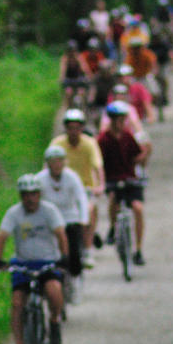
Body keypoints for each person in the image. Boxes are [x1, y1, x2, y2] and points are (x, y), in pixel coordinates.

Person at [0, 175, 68, 344]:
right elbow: (2, 236)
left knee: (54, 291)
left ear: (39, 194)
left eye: (34, 194)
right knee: (17, 303)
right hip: (23, 264)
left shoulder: (49, 211)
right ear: (21, 196)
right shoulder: (14, 213)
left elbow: (61, 234)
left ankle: (54, 321)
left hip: (46, 262)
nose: (30, 198)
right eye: (26, 195)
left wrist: (64, 257)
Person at [49, 109, 105, 268]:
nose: (73, 131)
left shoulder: (89, 143)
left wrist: (100, 185)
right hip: (64, 188)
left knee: (90, 210)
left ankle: (88, 249)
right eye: (70, 127)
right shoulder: (57, 144)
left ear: (82, 128)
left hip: (86, 187)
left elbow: (97, 166)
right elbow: (47, 166)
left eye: (77, 127)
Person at [97, 101, 149, 266]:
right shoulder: (103, 139)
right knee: (113, 198)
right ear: (111, 120)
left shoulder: (128, 136)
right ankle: (113, 227)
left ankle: (138, 249)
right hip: (112, 178)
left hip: (129, 178)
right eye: (118, 120)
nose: (121, 123)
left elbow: (138, 156)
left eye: (123, 119)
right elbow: (98, 162)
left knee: (138, 208)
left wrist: (145, 153)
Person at [36, 145, 89, 301]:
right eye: (53, 162)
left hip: (69, 218)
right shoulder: (40, 179)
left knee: (73, 251)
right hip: (50, 220)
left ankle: (74, 280)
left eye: (60, 161)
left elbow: (81, 198)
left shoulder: (72, 177)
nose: (57, 165)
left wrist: (83, 219)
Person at [58, 40, 88, 109]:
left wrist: (86, 76)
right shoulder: (65, 58)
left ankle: (82, 108)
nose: (71, 52)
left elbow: (84, 69)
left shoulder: (79, 57)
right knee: (68, 93)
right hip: (69, 79)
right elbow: (63, 70)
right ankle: (69, 107)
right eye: (70, 50)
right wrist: (62, 78)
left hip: (78, 78)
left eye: (73, 50)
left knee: (81, 92)